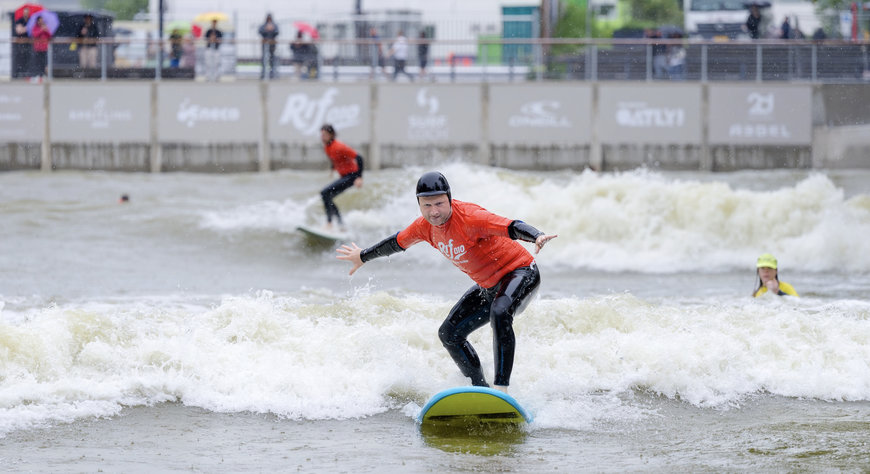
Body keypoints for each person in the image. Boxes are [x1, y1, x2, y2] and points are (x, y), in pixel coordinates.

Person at [336, 172, 557, 391]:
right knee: (450, 334)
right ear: (419, 205)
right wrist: (363, 256)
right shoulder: (424, 227)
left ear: (449, 198)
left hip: (521, 273)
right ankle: (481, 390)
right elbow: (396, 243)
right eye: (427, 205)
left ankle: (502, 390)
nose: (434, 212)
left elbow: (511, 226)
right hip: (489, 286)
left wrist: (535, 235)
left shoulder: (470, 217)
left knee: (500, 313)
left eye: (440, 203)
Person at [319, 124, 363, 230]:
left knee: (324, 193)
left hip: (352, 176)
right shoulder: (327, 147)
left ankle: (330, 223)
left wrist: (359, 177)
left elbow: (359, 158)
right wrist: (332, 168)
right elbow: (335, 158)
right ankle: (340, 224)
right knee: (328, 196)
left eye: (325, 135)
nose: (322, 137)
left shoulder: (339, 146)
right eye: (321, 134)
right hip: (344, 176)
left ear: (331, 135)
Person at [259, 13, 280, 80]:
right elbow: (260, 31)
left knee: (272, 59)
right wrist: (266, 29)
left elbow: (277, 32)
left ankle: (272, 73)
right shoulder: (263, 25)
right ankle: (263, 73)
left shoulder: (274, 25)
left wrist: (272, 30)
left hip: (272, 44)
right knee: (264, 59)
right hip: (265, 44)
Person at [13, 7, 32, 78]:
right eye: (25, 13)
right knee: (20, 58)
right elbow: (19, 31)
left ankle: (27, 73)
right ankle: (20, 73)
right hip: (21, 43)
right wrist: (27, 28)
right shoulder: (20, 20)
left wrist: (24, 29)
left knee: (28, 58)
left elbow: (32, 30)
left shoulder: (31, 20)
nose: (26, 14)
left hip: (29, 43)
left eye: (27, 13)